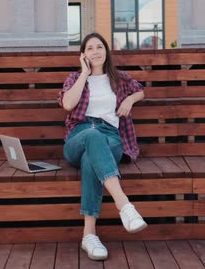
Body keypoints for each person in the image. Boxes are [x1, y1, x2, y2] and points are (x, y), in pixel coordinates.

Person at [58, 32, 147, 261]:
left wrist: (129, 99)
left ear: (106, 51)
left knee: (92, 158)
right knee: (92, 136)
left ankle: (89, 235)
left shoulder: (118, 78)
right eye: (89, 48)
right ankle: (125, 206)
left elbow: (140, 90)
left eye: (99, 47)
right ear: (83, 54)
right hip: (79, 136)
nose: (95, 51)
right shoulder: (75, 78)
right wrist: (84, 74)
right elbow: (68, 104)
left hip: (111, 138)